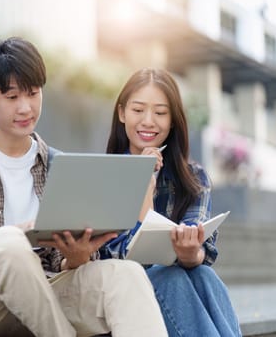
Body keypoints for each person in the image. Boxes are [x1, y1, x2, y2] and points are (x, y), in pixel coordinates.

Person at [0, 37, 168, 337]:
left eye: (33, 93)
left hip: (47, 291)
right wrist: (18, 239)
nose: (26, 107)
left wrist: (76, 256)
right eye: (12, 97)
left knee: (125, 275)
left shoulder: (61, 166)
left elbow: (66, 260)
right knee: (9, 243)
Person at [100, 68, 242, 336]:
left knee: (203, 275)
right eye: (138, 110)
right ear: (122, 113)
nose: (148, 121)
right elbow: (118, 258)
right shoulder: (104, 175)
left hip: (175, 291)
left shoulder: (193, 178)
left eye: (161, 113)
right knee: (169, 278)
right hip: (122, 295)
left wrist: (191, 254)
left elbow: (202, 250)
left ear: (173, 120)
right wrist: (144, 184)